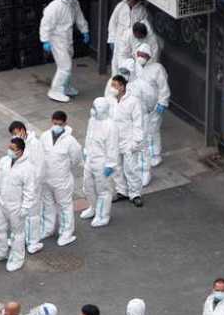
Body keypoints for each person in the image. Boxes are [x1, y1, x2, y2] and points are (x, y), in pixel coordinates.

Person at [0, 138, 35, 272]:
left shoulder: (27, 168)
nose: (10, 151)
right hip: (3, 202)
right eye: (9, 147)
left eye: (13, 149)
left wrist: (25, 207)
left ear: (20, 151)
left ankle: (17, 259)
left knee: (17, 234)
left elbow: (30, 190)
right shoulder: (4, 161)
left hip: (16, 206)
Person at [38, 111, 83, 246]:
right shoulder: (44, 136)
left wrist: (64, 168)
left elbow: (76, 158)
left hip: (62, 179)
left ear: (65, 123)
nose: (57, 126)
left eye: (60, 124)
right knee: (48, 205)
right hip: (46, 179)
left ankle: (66, 232)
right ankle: (48, 229)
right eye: (55, 123)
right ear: (52, 121)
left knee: (64, 206)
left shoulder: (70, 141)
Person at [40, 0, 90, 103]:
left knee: (68, 64)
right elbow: (45, 24)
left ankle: (65, 87)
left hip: (68, 37)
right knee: (65, 66)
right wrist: (45, 40)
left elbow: (79, 17)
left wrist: (85, 31)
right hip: (57, 38)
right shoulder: (54, 7)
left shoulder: (74, 3)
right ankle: (55, 91)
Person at [108, 75, 146, 208]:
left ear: (122, 87)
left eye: (115, 85)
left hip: (128, 140)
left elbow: (138, 122)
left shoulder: (133, 101)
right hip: (114, 140)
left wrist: (136, 141)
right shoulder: (110, 100)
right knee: (116, 168)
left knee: (131, 168)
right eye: (112, 85)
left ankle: (135, 194)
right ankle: (121, 191)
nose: (112, 88)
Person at [8, 121, 45, 254]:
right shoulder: (16, 142)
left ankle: (33, 242)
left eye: (17, 132)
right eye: (13, 134)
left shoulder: (35, 144)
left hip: (32, 184)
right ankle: (20, 238)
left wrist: (34, 185)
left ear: (23, 129)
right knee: (20, 213)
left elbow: (40, 166)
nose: (15, 135)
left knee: (33, 214)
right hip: (20, 184)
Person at [81, 97, 118, 228]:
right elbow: (88, 136)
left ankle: (103, 216)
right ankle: (94, 208)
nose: (93, 110)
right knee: (88, 186)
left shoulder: (110, 126)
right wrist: (85, 151)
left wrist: (111, 165)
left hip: (102, 161)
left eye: (95, 108)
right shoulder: (92, 120)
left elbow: (113, 147)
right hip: (91, 158)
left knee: (103, 190)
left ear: (102, 110)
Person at [135, 45, 170, 167]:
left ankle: (155, 155)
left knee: (153, 130)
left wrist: (162, 102)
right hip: (140, 106)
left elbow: (163, 87)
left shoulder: (157, 69)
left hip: (155, 106)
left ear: (149, 57)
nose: (141, 57)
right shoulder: (135, 67)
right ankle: (144, 154)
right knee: (142, 130)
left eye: (144, 56)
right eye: (139, 54)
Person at [107, 0, 149, 74]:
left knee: (130, 67)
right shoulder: (121, 6)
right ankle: (115, 85)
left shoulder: (142, 10)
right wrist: (111, 39)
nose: (127, 1)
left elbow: (143, 29)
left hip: (133, 44)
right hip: (118, 41)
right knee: (115, 64)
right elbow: (112, 22)